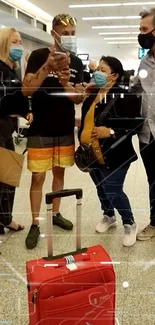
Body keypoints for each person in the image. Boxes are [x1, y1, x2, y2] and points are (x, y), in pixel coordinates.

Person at [22, 14, 84, 249]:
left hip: (65, 129)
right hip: (40, 130)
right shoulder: (38, 56)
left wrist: (66, 82)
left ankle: (55, 214)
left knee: (60, 175)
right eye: (64, 33)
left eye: (72, 34)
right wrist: (48, 66)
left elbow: (78, 97)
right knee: (38, 178)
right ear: (54, 33)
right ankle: (36, 223)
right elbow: (27, 90)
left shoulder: (76, 63)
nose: (69, 38)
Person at [78, 56, 142, 247]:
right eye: (97, 68)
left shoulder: (125, 96)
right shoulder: (92, 95)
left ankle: (129, 222)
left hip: (115, 154)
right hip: (91, 154)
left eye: (102, 70)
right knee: (100, 188)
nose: (97, 72)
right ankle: (108, 215)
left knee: (113, 189)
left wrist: (111, 131)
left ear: (114, 76)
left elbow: (135, 125)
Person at [0, 27, 33, 234]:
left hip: (7, 131)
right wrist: (14, 110)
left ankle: (6, 219)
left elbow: (17, 97)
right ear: (4, 44)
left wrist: (24, 111)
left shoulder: (12, 69)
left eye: (20, 42)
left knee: (9, 178)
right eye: (15, 42)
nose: (19, 46)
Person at [131, 8, 155, 241]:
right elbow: (136, 93)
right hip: (147, 135)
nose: (141, 35)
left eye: (145, 30)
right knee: (153, 180)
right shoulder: (144, 62)